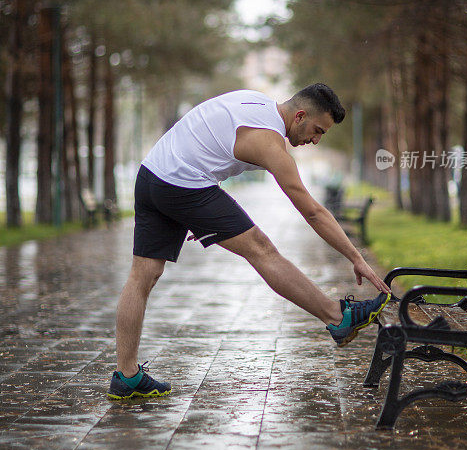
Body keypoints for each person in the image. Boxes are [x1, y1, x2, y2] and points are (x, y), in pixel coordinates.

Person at [107, 83, 391, 400]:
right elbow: (312, 212)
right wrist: (356, 256)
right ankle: (338, 317)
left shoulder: (256, 102)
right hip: (181, 182)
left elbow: (206, 136)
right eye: (317, 130)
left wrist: (192, 212)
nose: (315, 139)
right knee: (261, 249)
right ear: (300, 116)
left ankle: (126, 375)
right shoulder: (270, 144)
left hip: (152, 174)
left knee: (142, 275)